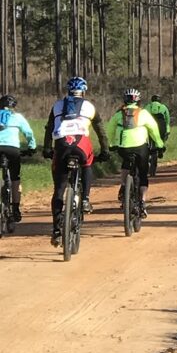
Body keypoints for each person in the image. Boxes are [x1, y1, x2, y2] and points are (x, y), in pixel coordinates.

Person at [43, 76, 110, 247]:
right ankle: (85, 199)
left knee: (58, 190)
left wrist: (47, 149)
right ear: (84, 91)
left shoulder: (57, 105)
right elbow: (100, 131)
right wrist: (105, 150)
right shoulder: (89, 106)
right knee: (87, 163)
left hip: (61, 144)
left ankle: (57, 230)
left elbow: (49, 127)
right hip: (81, 143)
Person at [107, 88, 164, 219]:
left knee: (126, 164)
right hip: (140, 148)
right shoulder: (143, 113)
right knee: (143, 173)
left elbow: (110, 129)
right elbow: (153, 129)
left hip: (124, 148)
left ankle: (123, 186)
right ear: (138, 101)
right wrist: (160, 144)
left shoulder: (118, 114)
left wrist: (112, 144)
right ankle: (142, 203)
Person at [0, 94, 37, 221]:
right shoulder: (17, 117)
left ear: (0, 105)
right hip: (12, 149)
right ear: (14, 107)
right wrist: (31, 147)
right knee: (15, 178)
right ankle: (16, 209)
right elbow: (28, 133)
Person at [146, 94, 171, 173]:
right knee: (161, 138)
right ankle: (160, 149)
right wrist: (167, 129)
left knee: (147, 139)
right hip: (161, 126)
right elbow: (167, 119)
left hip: (149, 125)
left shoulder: (147, 106)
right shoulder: (163, 107)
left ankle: (148, 149)